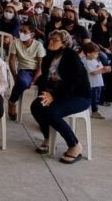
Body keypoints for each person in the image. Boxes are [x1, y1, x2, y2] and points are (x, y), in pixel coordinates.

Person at [32, 30, 90, 164]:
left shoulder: (71, 56)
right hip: (58, 93)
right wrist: (44, 93)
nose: (50, 42)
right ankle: (48, 138)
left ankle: (75, 145)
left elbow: (73, 81)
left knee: (52, 112)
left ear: (64, 43)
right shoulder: (48, 58)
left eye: (55, 40)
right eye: (50, 39)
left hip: (78, 95)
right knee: (36, 106)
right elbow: (44, 79)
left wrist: (53, 95)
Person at [7, 23, 44, 121]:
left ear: (32, 34)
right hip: (24, 69)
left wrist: (34, 79)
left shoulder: (38, 44)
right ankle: (12, 101)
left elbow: (41, 64)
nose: (22, 33)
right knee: (22, 82)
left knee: (46, 85)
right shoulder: (16, 42)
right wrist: (15, 76)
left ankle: (42, 110)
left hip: (37, 70)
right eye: (21, 31)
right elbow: (11, 60)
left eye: (25, 32)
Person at [81, 42, 110, 119]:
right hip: (92, 84)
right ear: (88, 54)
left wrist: (105, 70)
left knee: (97, 97)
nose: (97, 54)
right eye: (95, 53)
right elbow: (93, 72)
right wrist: (102, 69)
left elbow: (100, 69)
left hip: (98, 82)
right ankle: (94, 111)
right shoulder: (87, 62)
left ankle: (95, 110)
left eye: (97, 53)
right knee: (93, 98)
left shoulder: (96, 60)